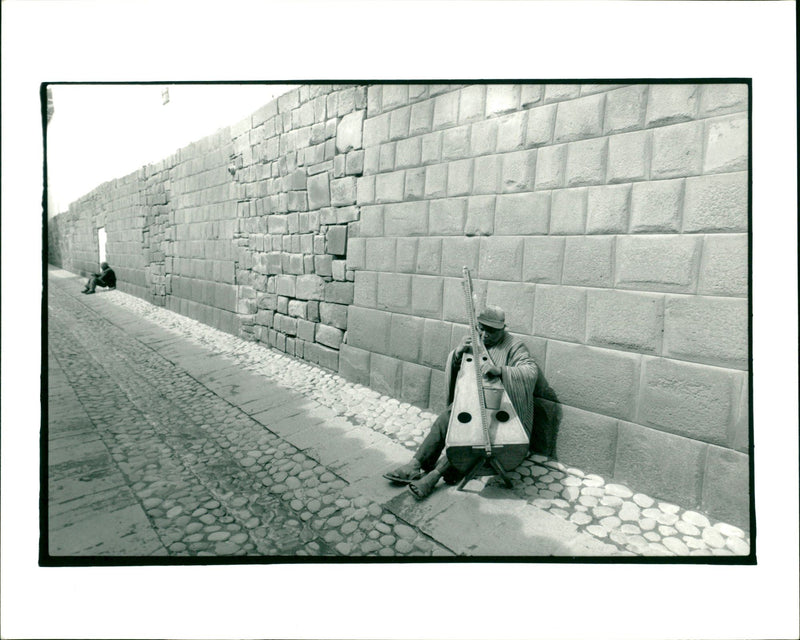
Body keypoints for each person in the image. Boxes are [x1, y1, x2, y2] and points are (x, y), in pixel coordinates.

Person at [383, 305, 538, 500]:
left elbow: (531, 371)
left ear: (503, 329)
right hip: (473, 400)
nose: (484, 334)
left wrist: (500, 370)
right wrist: (457, 353)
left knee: (471, 436)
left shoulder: (514, 345)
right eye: (481, 328)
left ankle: (433, 476)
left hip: (501, 409)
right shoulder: (475, 339)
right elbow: (457, 368)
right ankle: (416, 464)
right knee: (446, 419)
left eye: (491, 330)